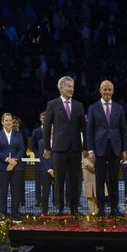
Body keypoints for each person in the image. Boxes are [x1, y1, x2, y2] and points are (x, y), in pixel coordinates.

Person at [43, 75, 86, 215]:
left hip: (75, 149)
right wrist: (46, 148)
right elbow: (47, 126)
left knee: (75, 180)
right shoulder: (52, 104)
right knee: (59, 179)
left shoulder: (79, 105)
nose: (71, 89)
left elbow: (84, 128)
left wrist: (85, 147)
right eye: (68, 86)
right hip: (59, 148)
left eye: (72, 86)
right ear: (60, 88)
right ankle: (59, 207)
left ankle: (74, 208)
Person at [85, 79, 127, 216]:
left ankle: (115, 208)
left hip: (115, 148)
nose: (107, 92)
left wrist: (124, 149)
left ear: (113, 91)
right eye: (105, 89)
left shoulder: (119, 108)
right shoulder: (93, 107)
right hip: (98, 149)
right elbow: (89, 131)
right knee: (100, 179)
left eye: (109, 89)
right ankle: (101, 209)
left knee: (114, 179)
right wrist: (90, 150)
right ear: (100, 91)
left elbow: (123, 130)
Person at [0, 112, 26, 217]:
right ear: (2, 122)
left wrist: (14, 161)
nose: (9, 122)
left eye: (10, 120)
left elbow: (21, 149)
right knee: (2, 190)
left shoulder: (18, 134)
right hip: (1, 167)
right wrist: (7, 160)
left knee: (16, 190)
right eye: (6, 120)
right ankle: (2, 212)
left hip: (16, 166)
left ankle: (15, 212)